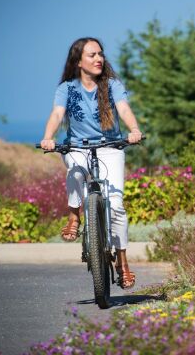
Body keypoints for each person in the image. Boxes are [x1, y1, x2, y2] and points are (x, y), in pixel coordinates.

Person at [40, 37, 142, 289]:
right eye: (92, 55)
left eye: (101, 54)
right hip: (77, 146)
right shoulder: (66, 89)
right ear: (78, 62)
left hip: (110, 147)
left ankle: (123, 262)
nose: (99, 59)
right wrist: (48, 137)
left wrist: (134, 129)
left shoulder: (112, 85)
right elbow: (57, 114)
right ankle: (74, 216)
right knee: (75, 170)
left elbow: (125, 109)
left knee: (116, 204)